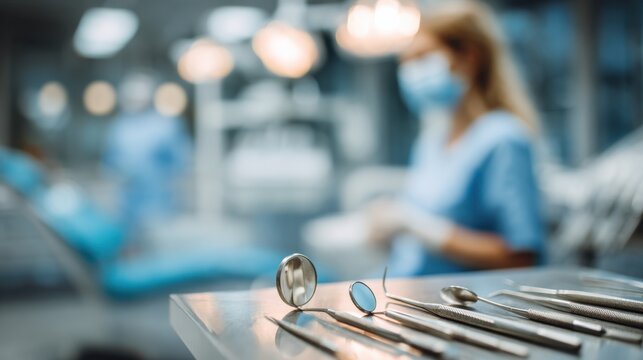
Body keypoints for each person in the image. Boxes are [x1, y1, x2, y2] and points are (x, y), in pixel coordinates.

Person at [369, 0, 544, 276]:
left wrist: (423, 228)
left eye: (423, 57)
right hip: (408, 293)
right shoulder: (431, 141)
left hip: (458, 308)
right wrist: (390, 231)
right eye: (406, 62)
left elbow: (520, 257)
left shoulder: (503, 138)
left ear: (468, 56)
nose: (411, 72)